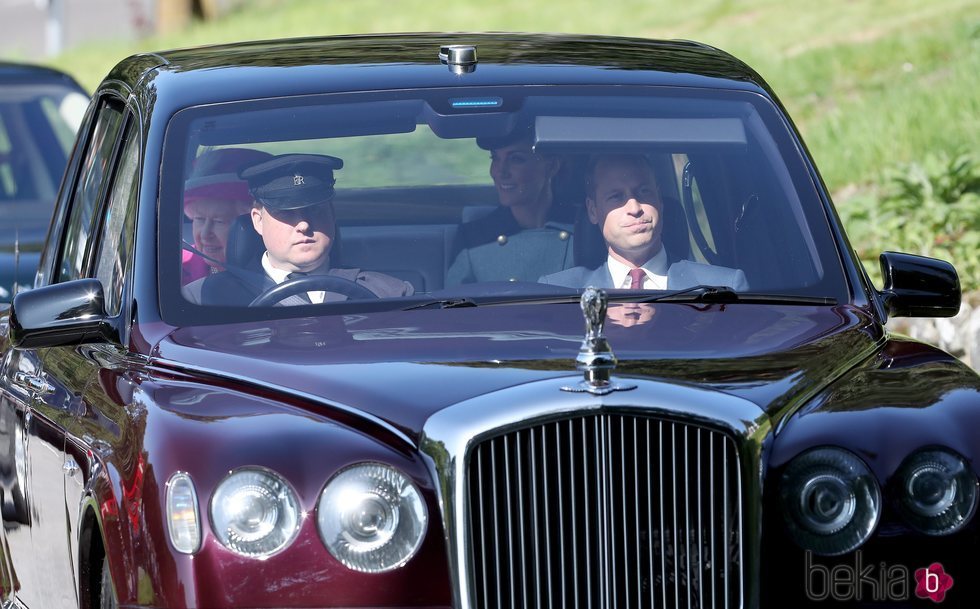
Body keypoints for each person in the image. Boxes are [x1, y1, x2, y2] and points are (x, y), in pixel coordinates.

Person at [182, 153, 414, 305]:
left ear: (332, 216)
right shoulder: (204, 299)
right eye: (285, 213)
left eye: (315, 210)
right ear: (257, 220)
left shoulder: (388, 293)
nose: (303, 224)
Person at [539, 153, 748, 291]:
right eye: (616, 197)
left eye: (643, 192)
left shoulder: (723, 288)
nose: (635, 208)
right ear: (593, 210)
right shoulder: (558, 293)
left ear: (659, 199)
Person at [445, 127, 575, 284]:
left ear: (552, 167)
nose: (500, 171)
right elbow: (456, 306)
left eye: (516, 159)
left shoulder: (584, 230)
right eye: (495, 158)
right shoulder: (475, 238)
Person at [182, 148, 274, 284]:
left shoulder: (280, 273)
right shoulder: (175, 268)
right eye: (199, 219)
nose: (205, 234)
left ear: (255, 222)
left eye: (219, 221)